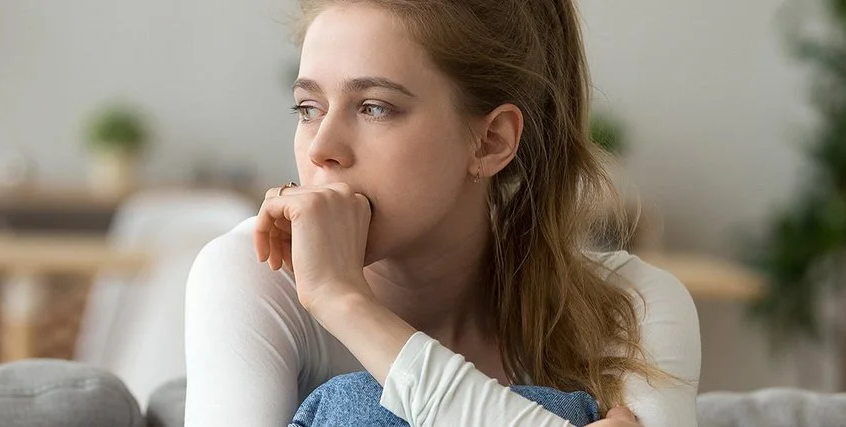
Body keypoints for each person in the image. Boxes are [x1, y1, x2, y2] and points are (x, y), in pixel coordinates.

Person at [183, 0, 701, 425]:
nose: (321, 148)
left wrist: (347, 304)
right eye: (308, 108)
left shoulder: (633, 307)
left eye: (374, 108)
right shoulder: (251, 274)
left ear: (490, 141)